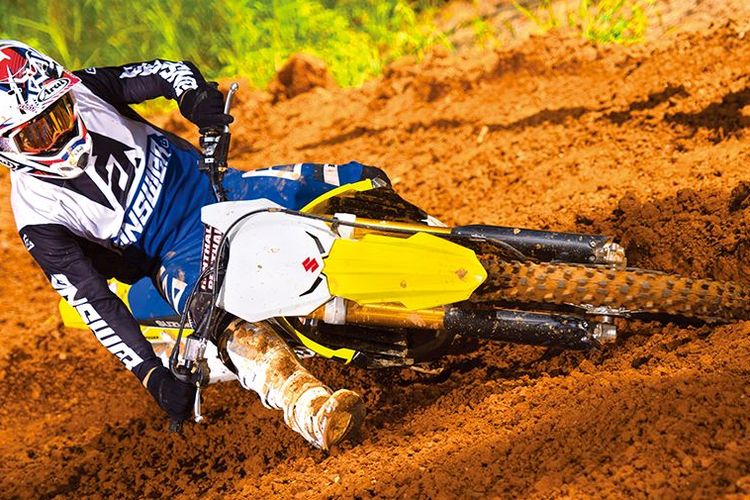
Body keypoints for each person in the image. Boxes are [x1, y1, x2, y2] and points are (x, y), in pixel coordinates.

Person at [1, 40, 380, 450]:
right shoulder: (38, 216)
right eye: (35, 134)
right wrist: (151, 375)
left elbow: (167, 71)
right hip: (174, 255)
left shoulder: (87, 88)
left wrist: (194, 98)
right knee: (220, 321)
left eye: (59, 112)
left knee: (359, 179)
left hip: (223, 187)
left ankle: (430, 245)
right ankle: (309, 406)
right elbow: (92, 301)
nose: (58, 133)